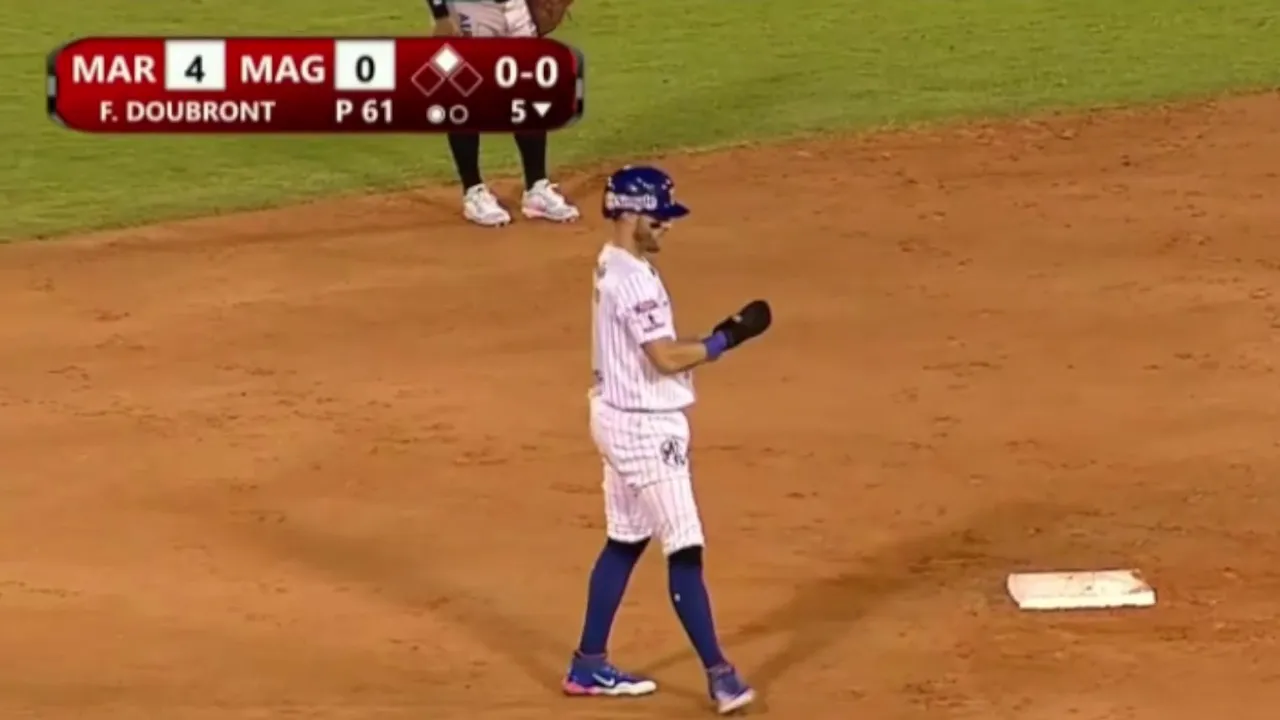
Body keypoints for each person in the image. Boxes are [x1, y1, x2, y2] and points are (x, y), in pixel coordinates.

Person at [562, 165, 772, 714]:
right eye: (659, 217)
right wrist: (728, 338)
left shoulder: (614, 261)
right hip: (645, 430)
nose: (667, 226)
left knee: (626, 539)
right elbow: (664, 358)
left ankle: (588, 663)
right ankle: (721, 677)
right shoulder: (632, 279)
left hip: (615, 416)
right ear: (629, 213)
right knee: (685, 547)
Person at [427, 0, 580, 227]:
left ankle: (536, 187)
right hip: (470, 10)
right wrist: (441, 15)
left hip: (516, 8)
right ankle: (474, 191)